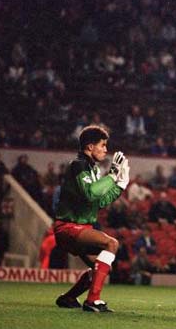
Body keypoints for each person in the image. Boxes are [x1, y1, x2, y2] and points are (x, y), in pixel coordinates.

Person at [53, 125, 130, 312]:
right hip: (68, 227)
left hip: (79, 229)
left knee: (102, 269)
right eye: (102, 145)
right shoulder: (78, 165)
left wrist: (120, 185)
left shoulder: (93, 169)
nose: (105, 149)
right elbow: (90, 193)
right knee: (112, 244)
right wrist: (112, 175)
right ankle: (92, 300)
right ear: (89, 147)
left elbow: (99, 201)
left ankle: (68, 298)